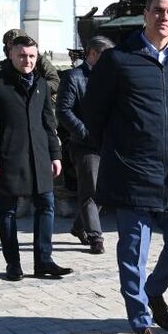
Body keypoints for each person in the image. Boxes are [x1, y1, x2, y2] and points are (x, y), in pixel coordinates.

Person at [83, 0, 168, 334]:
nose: (164, 17)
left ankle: (152, 291)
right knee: (133, 251)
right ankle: (141, 325)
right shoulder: (118, 60)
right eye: (158, 10)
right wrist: (118, 151)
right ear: (145, 15)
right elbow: (93, 114)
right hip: (132, 171)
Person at [0, 34, 72, 281]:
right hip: (9, 157)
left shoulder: (40, 83)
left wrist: (55, 153)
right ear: (11, 54)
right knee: (7, 210)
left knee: (46, 206)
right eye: (22, 55)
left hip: (39, 156)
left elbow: (48, 123)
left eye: (31, 56)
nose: (27, 60)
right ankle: (13, 264)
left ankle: (44, 261)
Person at [56, 35, 115, 255]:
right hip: (86, 144)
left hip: (109, 143)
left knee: (106, 191)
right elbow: (63, 111)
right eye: (106, 56)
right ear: (92, 54)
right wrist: (84, 133)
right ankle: (95, 237)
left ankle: (79, 226)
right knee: (91, 191)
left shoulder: (112, 76)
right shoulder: (74, 77)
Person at [0, 28, 60, 98]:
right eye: (11, 43)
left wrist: (34, 87)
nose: (14, 46)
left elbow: (55, 82)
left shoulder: (40, 61)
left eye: (18, 42)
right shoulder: (1, 66)